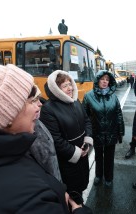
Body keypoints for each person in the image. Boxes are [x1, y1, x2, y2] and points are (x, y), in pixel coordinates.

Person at [0, 57, 90, 213]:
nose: (39, 104)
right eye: (31, 100)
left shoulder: (2, 154)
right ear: (6, 114)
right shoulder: (30, 196)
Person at [40, 70, 93, 198]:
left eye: (70, 84)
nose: (70, 88)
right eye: (65, 86)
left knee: (81, 188)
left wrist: (87, 142)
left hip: (83, 154)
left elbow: (87, 121)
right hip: (67, 161)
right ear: (56, 89)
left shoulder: (75, 102)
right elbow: (55, 139)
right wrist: (76, 152)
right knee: (71, 195)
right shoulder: (49, 109)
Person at [82, 70, 125, 187]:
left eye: (107, 80)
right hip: (97, 133)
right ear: (97, 80)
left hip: (111, 132)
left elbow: (119, 114)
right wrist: (86, 134)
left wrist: (120, 132)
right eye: (102, 79)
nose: (105, 82)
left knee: (110, 157)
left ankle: (109, 177)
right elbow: (84, 117)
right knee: (98, 156)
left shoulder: (113, 97)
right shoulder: (88, 96)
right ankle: (98, 175)